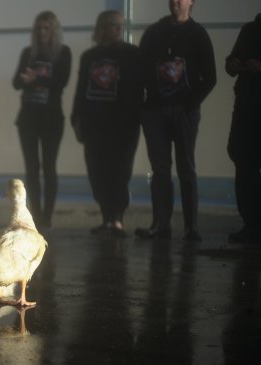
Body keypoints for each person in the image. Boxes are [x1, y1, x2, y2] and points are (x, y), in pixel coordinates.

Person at [135, 0, 216, 242]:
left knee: (186, 168)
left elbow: (210, 76)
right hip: (155, 112)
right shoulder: (154, 33)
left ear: (192, 2)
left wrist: (190, 104)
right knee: (160, 170)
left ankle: (191, 227)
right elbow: (140, 70)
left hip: (184, 112)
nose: (176, 1)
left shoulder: (198, 34)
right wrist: (144, 106)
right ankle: (161, 225)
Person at [71, 10, 142, 237]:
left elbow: (139, 88)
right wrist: (76, 118)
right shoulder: (89, 56)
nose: (116, 29)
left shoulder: (133, 54)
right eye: (111, 24)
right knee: (97, 173)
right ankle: (106, 218)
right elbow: (81, 89)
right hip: (94, 124)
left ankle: (117, 220)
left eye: (119, 25)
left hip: (123, 124)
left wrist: (138, 116)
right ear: (101, 27)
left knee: (120, 173)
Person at [12, 11, 71, 229]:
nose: (42, 32)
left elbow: (61, 82)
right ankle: (35, 215)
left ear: (53, 31)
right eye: (38, 28)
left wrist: (37, 78)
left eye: (46, 28)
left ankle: (47, 216)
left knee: (49, 167)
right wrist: (24, 78)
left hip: (52, 118)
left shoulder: (63, 53)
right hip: (28, 117)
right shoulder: (28, 53)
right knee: (31, 169)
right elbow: (15, 83)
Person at [225, 13, 261, 244]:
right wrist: (233, 64)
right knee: (243, 162)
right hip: (247, 108)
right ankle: (252, 224)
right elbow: (231, 62)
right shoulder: (249, 29)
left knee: (246, 164)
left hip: (249, 105)